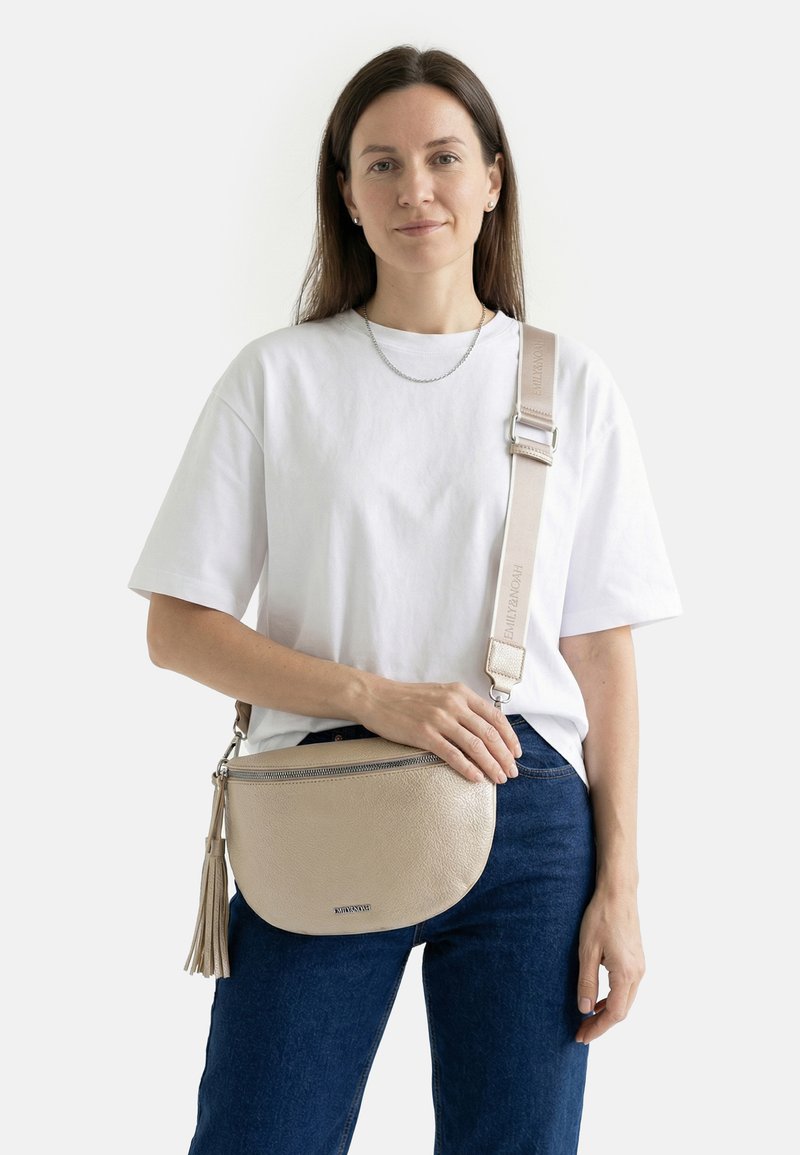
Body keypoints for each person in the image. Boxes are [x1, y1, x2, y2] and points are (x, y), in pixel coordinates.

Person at [129, 44, 682, 1155]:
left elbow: (601, 657)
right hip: (318, 796)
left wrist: (618, 887)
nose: (412, 190)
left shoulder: (565, 382)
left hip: (525, 815)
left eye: (440, 159)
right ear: (345, 192)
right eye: (379, 165)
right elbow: (177, 626)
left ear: (490, 179)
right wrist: (374, 697)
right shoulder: (278, 378)